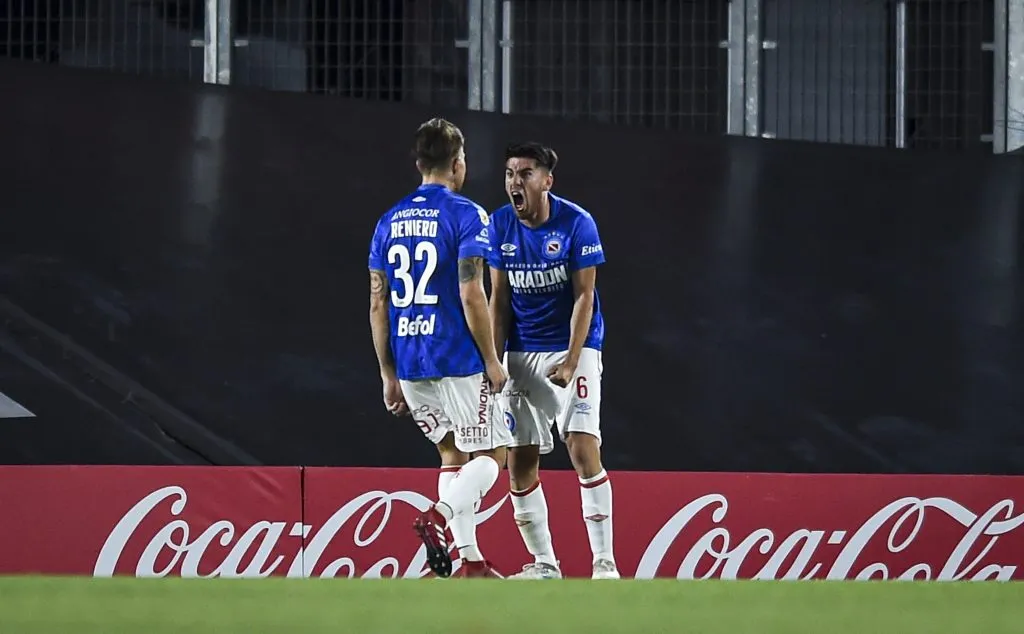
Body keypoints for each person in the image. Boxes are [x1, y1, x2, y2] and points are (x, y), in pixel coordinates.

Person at [367, 117, 511, 579]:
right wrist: (491, 359)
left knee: (452, 455)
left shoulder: (387, 221)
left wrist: (388, 373)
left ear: (418, 164)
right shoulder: (468, 214)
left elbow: (377, 302)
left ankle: (468, 560)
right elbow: (472, 292)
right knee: (492, 455)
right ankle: (440, 517)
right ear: (458, 163)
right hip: (457, 356)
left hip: (411, 361)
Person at [488, 142, 619, 580]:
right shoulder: (500, 225)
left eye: (525, 174)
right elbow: (499, 299)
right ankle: (545, 565)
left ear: (547, 181)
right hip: (522, 350)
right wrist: (493, 361)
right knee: (520, 459)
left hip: (573, 346)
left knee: (583, 448)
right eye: (509, 173)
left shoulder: (577, 223)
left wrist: (572, 360)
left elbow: (585, 296)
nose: (514, 182)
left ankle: (604, 564)